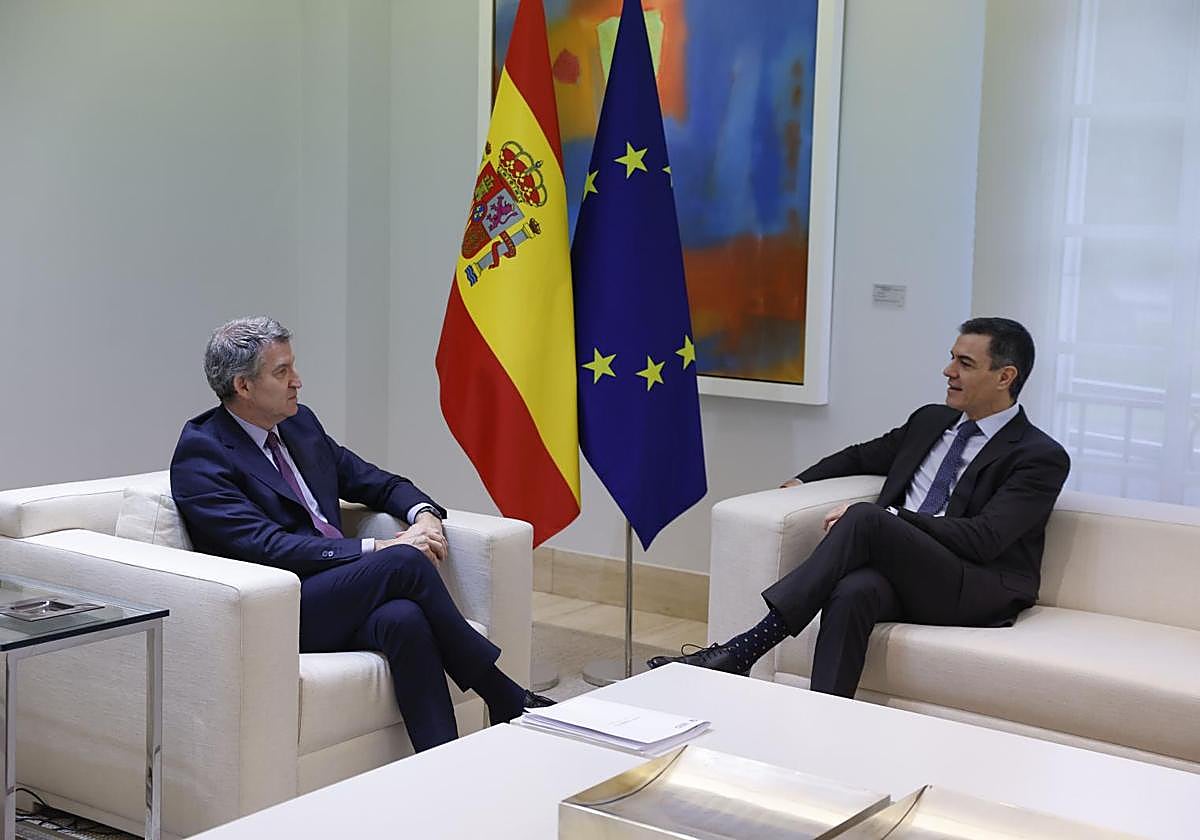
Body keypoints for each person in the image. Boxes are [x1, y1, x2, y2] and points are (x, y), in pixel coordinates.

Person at [171, 316, 551, 752]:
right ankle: (502, 693)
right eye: (282, 371)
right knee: (404, 560)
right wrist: (379, 547)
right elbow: (266, 546)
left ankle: (443, 762)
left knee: (403, 619)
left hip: (339, 589)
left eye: (293, 366)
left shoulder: (299, 425)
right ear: (243, 386)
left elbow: (375, 482)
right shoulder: (203, 453)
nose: (297, 381)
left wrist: (425, 515)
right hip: (280, 605)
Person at [649, 317, 1070, 698]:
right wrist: (801, 482)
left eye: (965, 363)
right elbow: (861, 456)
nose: (948, 371)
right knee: (854, 591)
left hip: (973, 585)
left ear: (1005, 376)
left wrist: (894, 518)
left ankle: (745, 648)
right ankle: (826, 717)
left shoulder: (1038, 456)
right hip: (913, 574)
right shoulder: (931, 421)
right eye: (951, 358)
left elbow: (986, 539)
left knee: (866, 517)